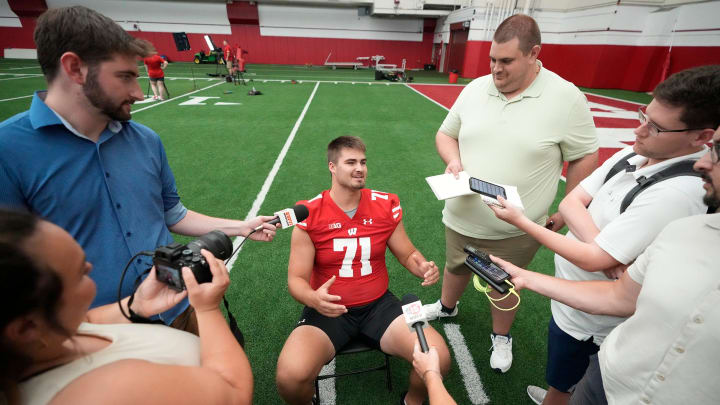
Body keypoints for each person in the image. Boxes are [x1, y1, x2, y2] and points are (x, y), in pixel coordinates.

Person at [0, 6, 277, 333]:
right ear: (75, 68)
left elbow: (172, 214)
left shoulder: (146, 140)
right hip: (91, 332)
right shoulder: (8, 150)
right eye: (125, 77)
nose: (137, 92)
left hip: (177, 306)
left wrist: (241, 226)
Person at [488, 65, 718, 405]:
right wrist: (604, 250)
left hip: (590, 320)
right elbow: (570, 204)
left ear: (700, 137)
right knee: (565, 378)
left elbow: (603, 271)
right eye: (643, 113)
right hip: (575, 300)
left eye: (654, 126)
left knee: (567, 378)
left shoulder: (679, 193)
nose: (639, 130)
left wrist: (591, 252)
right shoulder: (639, 151)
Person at [424, 13, 599, 373]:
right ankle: (446, 306)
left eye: (506, 61)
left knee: (504, 284)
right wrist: (454, 160)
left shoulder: (566, 97)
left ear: (534, 53)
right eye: (492, 59)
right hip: (460, 214)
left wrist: (566, 211)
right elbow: (446, 134)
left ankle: (501, 336)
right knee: (455, 264)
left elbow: (585, 155)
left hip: (516, 228)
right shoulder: (475, 88)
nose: (496, 69)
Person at [0, 209, 253, 405]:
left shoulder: (44, 342)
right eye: (80, 274)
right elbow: (233, 393)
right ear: (26, 328)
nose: (90, 268)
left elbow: (89, 321)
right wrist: (207, 310)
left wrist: (135, 306)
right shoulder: (104, 392)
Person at [275, 136, 451, 405]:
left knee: (439, 357)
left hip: (378, 307)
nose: (360, 168)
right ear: (332, 167)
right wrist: (313, 299)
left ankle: (412, 401)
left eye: (363, 162)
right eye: (351, 162)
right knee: (290, 377)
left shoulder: (384, 204)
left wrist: (423, 266)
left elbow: (407, 253)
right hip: (329, 310)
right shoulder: (310, 214)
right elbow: (296, 280)